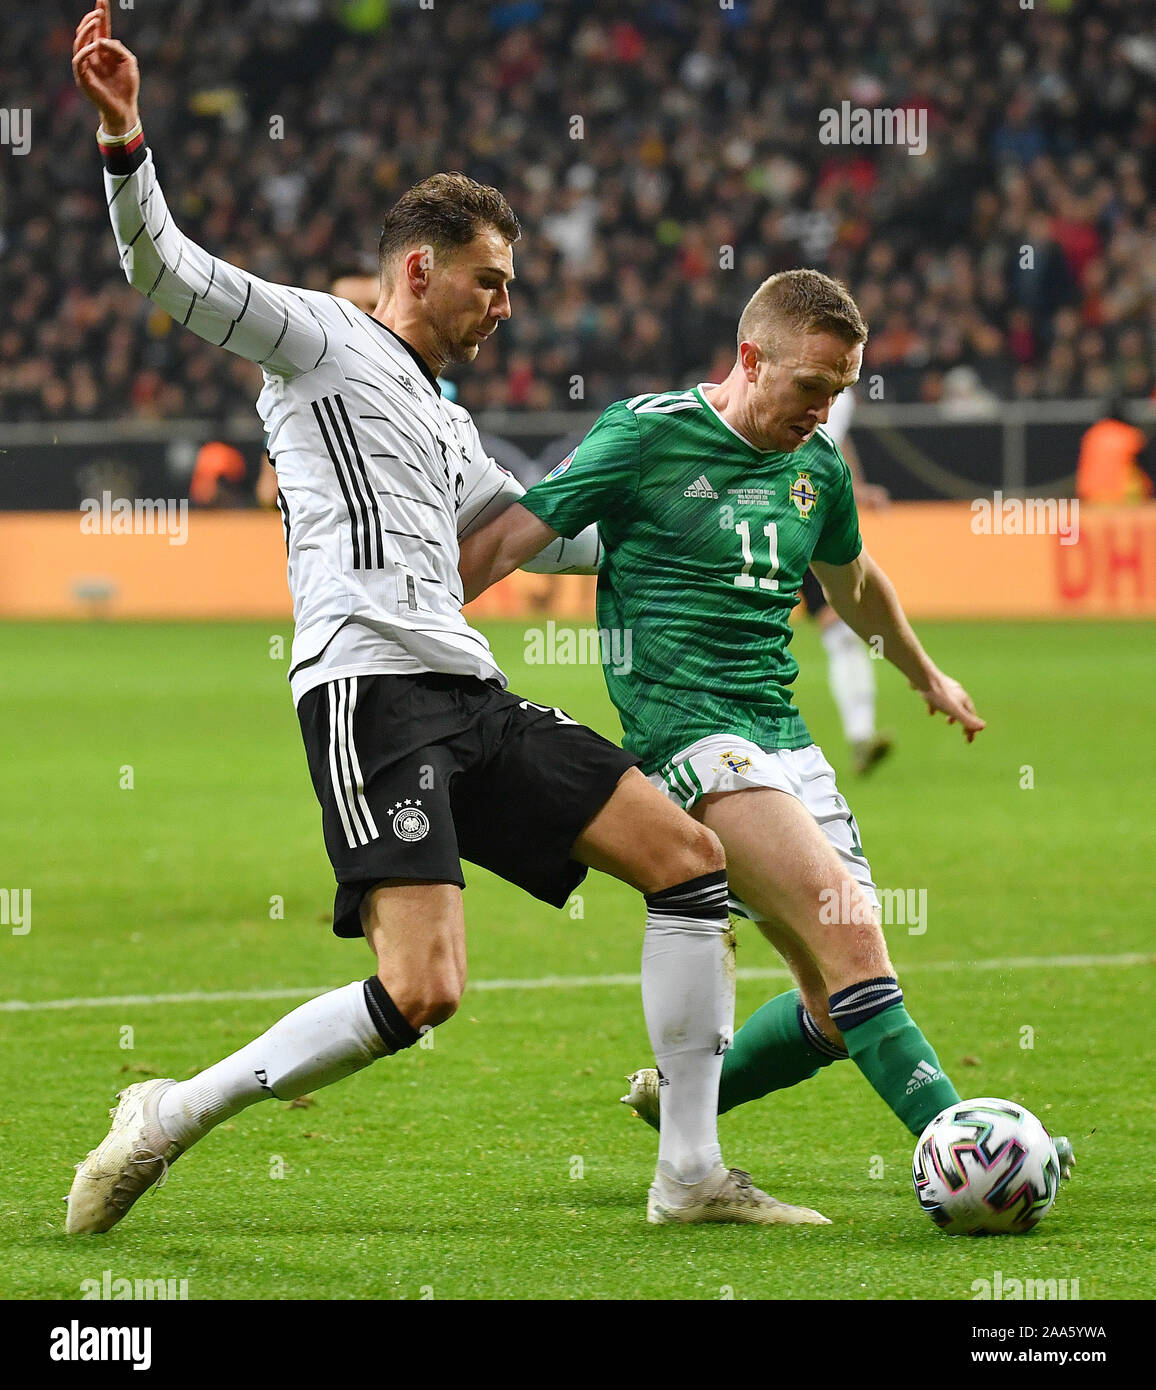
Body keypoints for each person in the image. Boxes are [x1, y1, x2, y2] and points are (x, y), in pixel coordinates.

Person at [65, 2, 822, 1234]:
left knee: (688, 859)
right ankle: (166, 1114)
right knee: (421, 992)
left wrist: (692, 509)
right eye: (490, 281)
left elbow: (546, 531)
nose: (504, 305)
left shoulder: (445, 418)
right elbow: (168, 270)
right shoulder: (316, 336)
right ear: (420, 269)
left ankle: (689, 1174)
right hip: (370, 689)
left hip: (469, 690)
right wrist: (123, 138)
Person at [458, 269, 1074, 1177]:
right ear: (751, 358)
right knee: (853, 939)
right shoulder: (647, 435)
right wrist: (399, 628)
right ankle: (975, 1152)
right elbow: (512, 539)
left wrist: (927, 675)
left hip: (785, 741)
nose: (824, 411)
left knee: (836, 1006)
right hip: (691, 741)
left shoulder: (816, 467)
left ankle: (685, 1105)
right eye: (811, 386)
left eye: (840, 389)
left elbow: (855, 584)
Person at [796, 388, 895, 775]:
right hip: (771, 513)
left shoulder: (843, 395)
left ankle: (861, 737)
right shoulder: (793, 378)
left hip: (813, 517)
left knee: (841, 631)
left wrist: (857, 487)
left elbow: (835, 443)